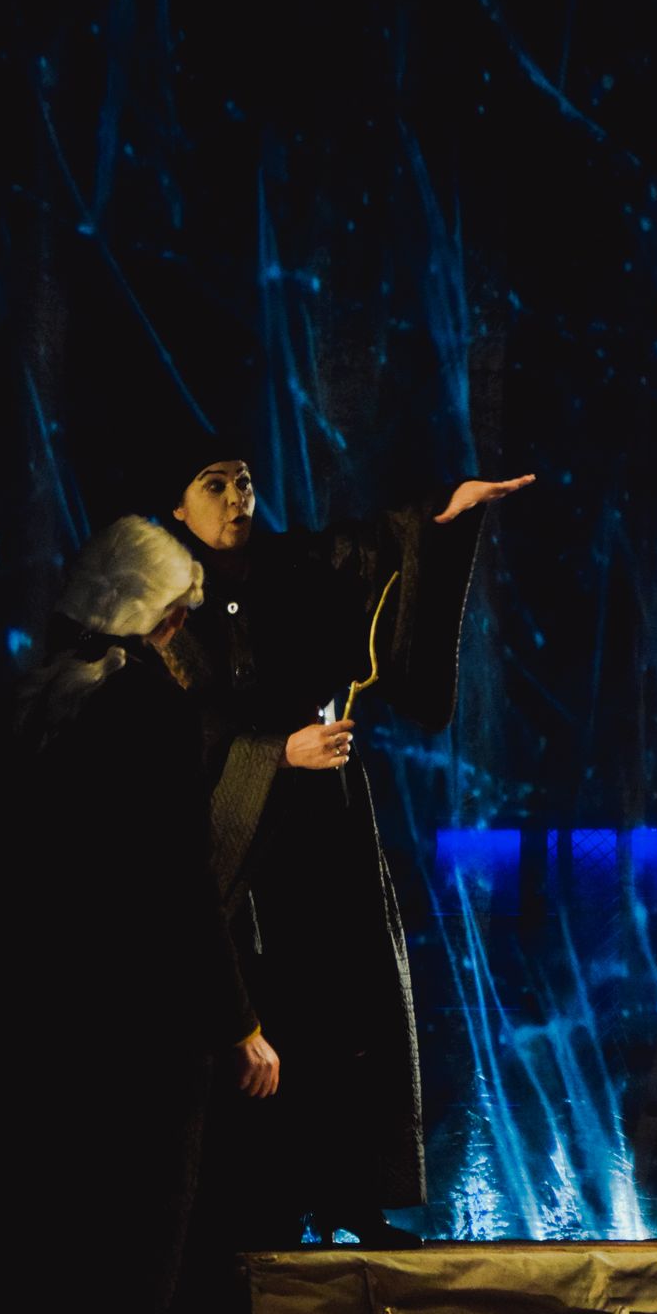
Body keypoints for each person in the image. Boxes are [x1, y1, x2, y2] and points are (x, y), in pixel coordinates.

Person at [0, 516, 277, 1314]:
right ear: (157, 618)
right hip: (134, 1058)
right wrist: (242, 1024)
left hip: (33, 1044)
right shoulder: (146, 709)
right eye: (179, 617)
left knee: (35, 1293)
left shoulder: (26, 700)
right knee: (125, 1301)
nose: (183, 635)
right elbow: (180, 889)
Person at [159, 447, 534, 1249]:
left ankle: (351, 1200)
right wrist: (273, 753)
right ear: (178, 508)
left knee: (343, 1004)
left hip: (321, 825)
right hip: (232, 843)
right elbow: (169, 730)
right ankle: (254, 1215)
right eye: (214, 486)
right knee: (257, 1013)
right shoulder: (163, 599)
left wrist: (444, 514)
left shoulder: (293, 565)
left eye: (244, 482)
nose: (236, 499)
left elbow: (378, 548)